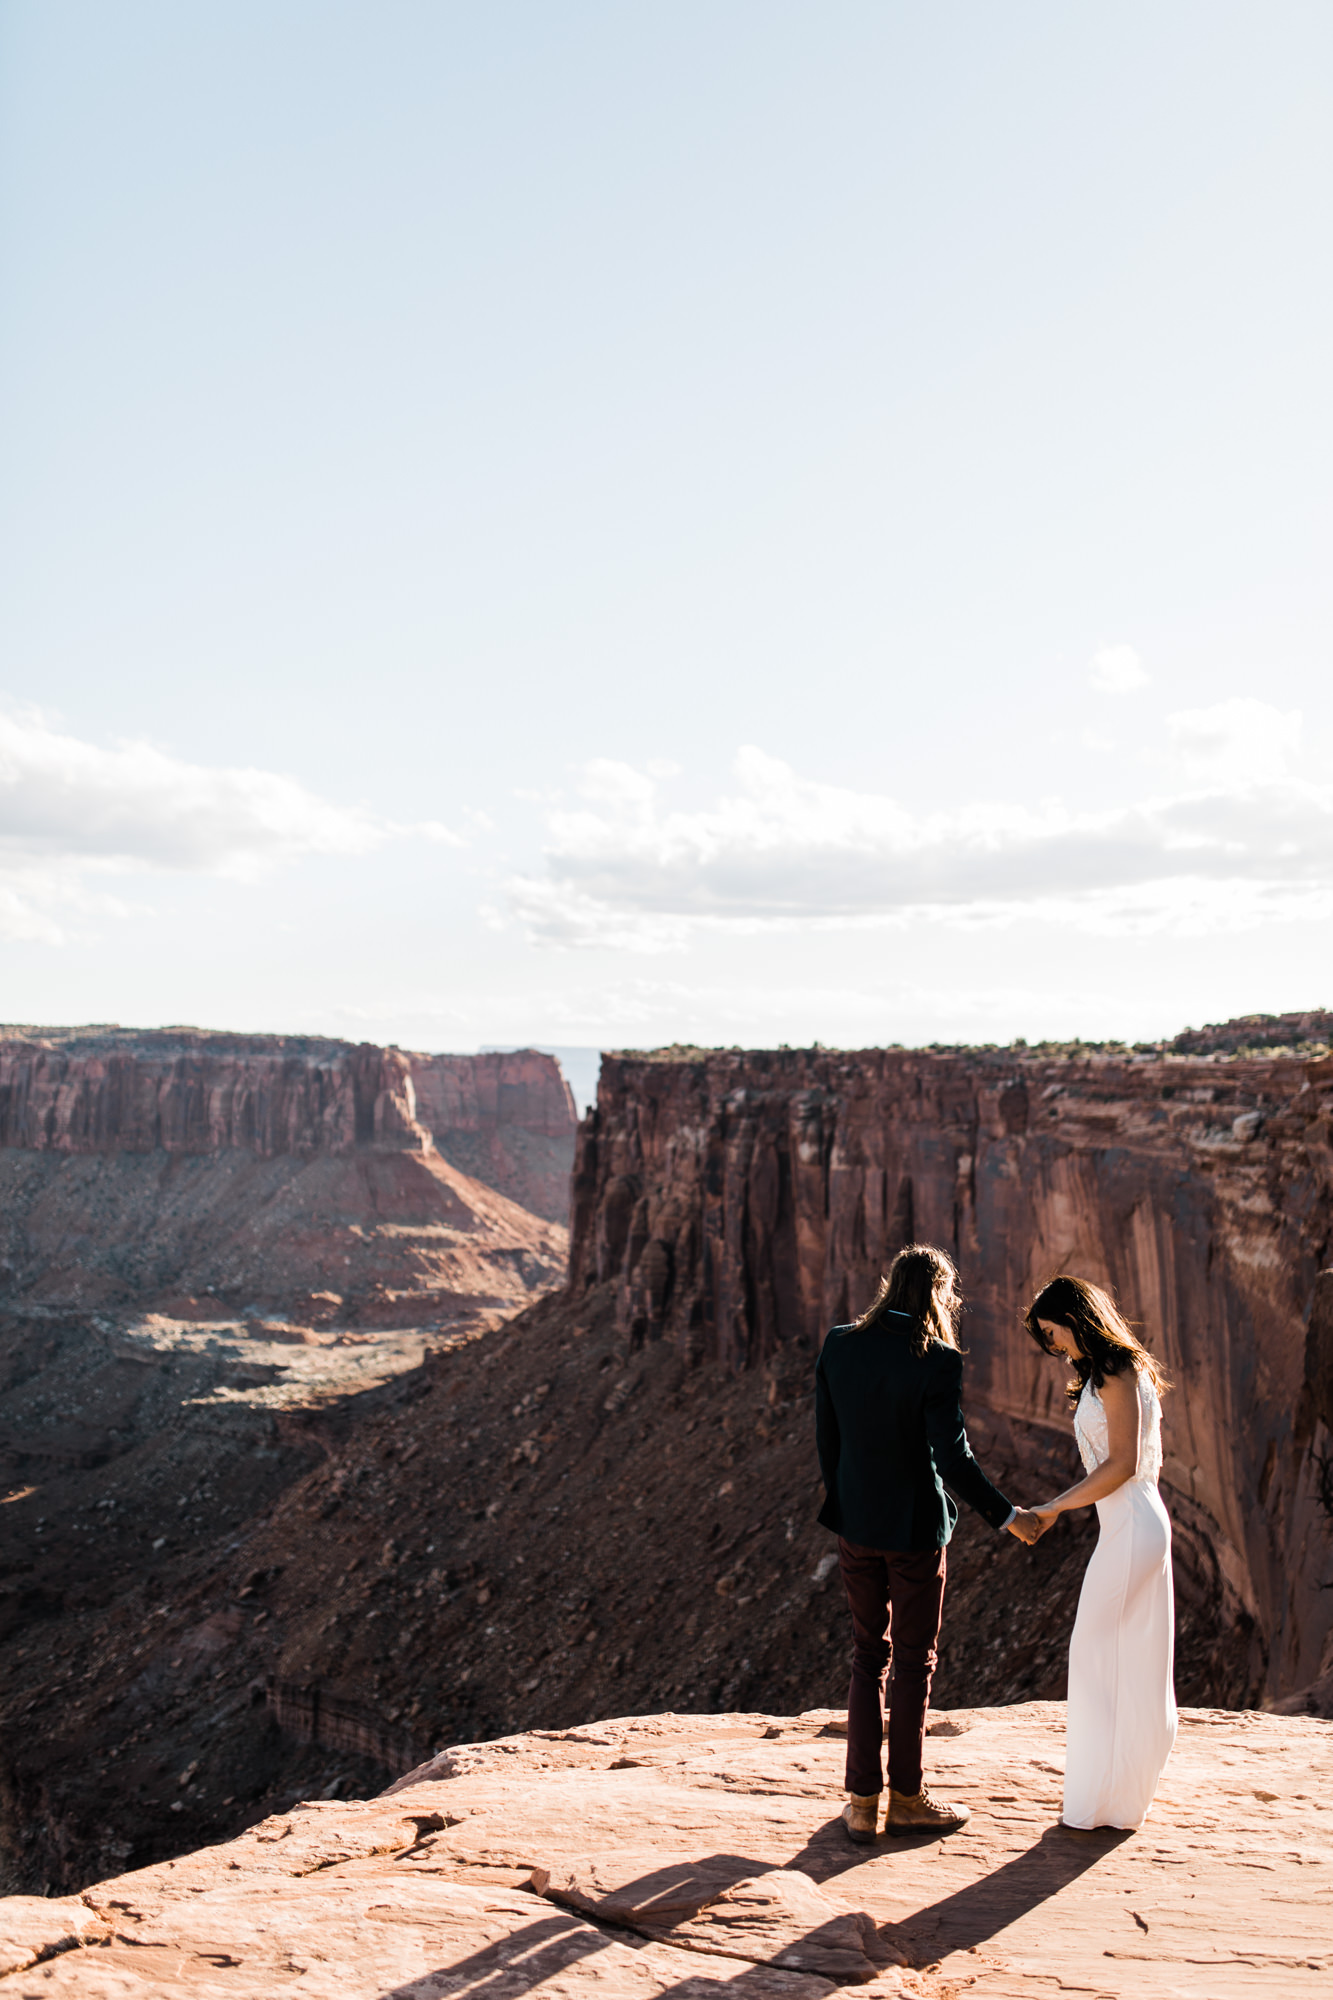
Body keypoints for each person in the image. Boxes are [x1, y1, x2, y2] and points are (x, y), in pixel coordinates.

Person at [815, 1244, 1042, 1844]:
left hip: (856, 1528)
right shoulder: (936, 1360)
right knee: (913, 1662)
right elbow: (954, 1459)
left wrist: (850, 1502)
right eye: (948, 1293)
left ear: (892, 1286)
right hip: (915, 1533)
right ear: (937, 1292)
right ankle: (907, 1799)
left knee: (868, 1655)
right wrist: (1008, 1516)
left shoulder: (840, 1343)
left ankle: (862, 1803)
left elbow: (827, 1443)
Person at [1024, 1275, 1177, 1831]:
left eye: (1052, 1333)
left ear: (1074, 1316)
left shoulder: (1116, 1370)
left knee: (1094, 1653)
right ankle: (1112, 1800)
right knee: (1122, 1659)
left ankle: (1106, 1798)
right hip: (1124, 1528)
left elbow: (1122, 1466)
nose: (1053, 1346)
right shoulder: (1098, 1373)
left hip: (1133, 1524)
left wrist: (1052, 1508)